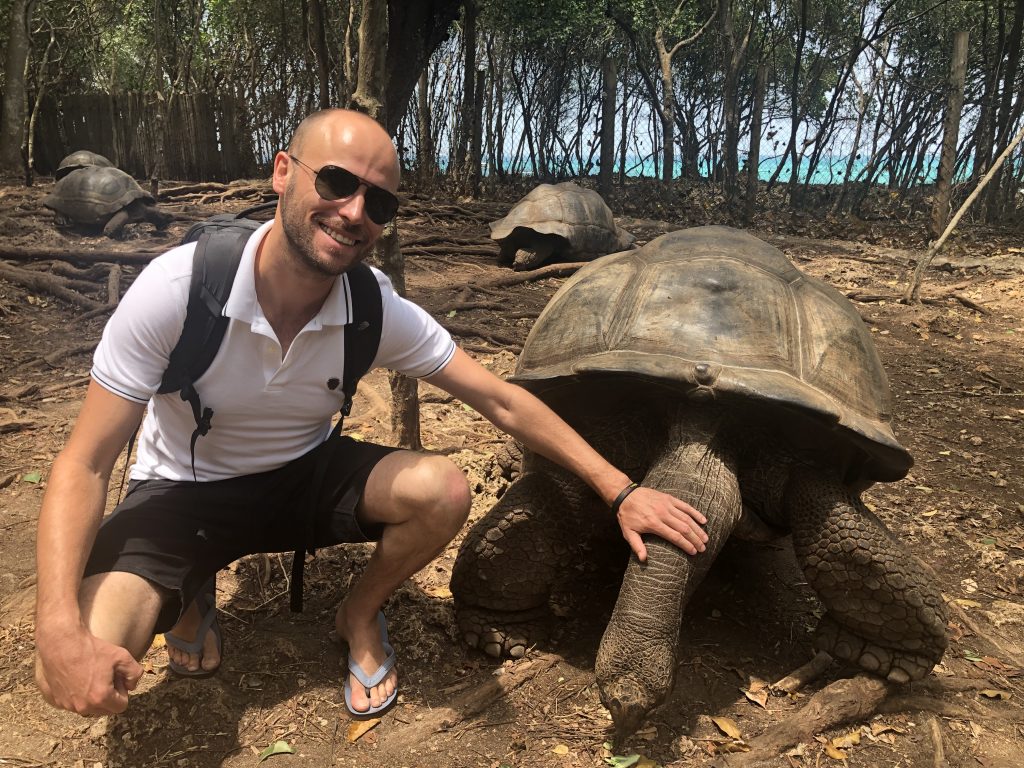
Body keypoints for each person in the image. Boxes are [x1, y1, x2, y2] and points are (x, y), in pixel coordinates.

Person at [33, 108, 709, 719]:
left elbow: (501, 398)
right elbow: (86, 463)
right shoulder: (177, 291)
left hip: (301, 477)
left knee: (442, 490)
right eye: (335, 182)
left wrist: (619, 489)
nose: (355, 212)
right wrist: (58, 630)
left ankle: (357, 613)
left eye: (378, 201)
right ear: (282, 173)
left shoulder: (371, 307)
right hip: (181, 495)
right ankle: (192, 587)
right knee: (73, 663)